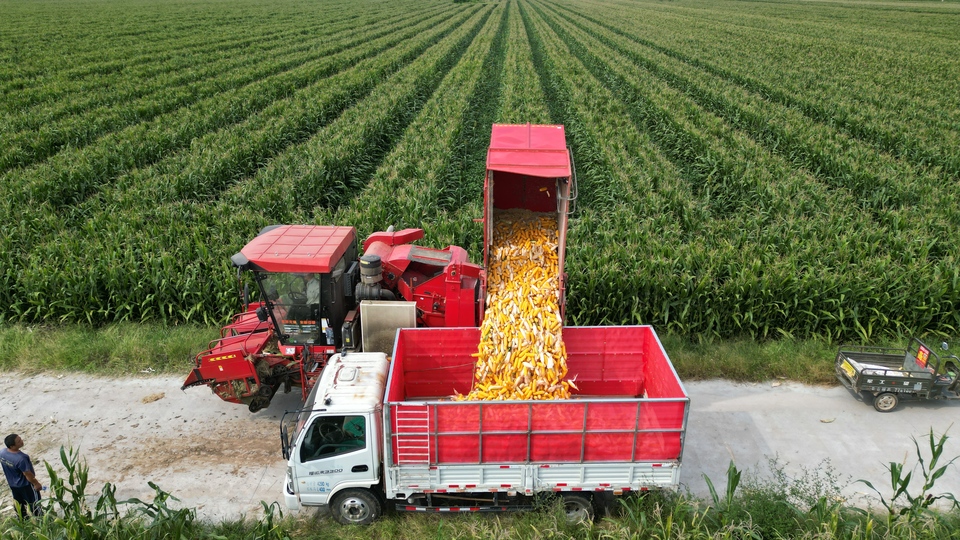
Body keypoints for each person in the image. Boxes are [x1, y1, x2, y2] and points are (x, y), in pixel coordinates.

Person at [0, 434, 43, 518]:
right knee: (34, 504)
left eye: (20, 439)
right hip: (26, 485)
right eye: (19, 441)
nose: (21, 441)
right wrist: (36, 484)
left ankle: (22, 520)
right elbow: (27, 474)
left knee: (19, 504)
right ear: (12, 446)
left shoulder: (2, 453)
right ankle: (40, 520)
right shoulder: (21, 458)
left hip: (13, 485)